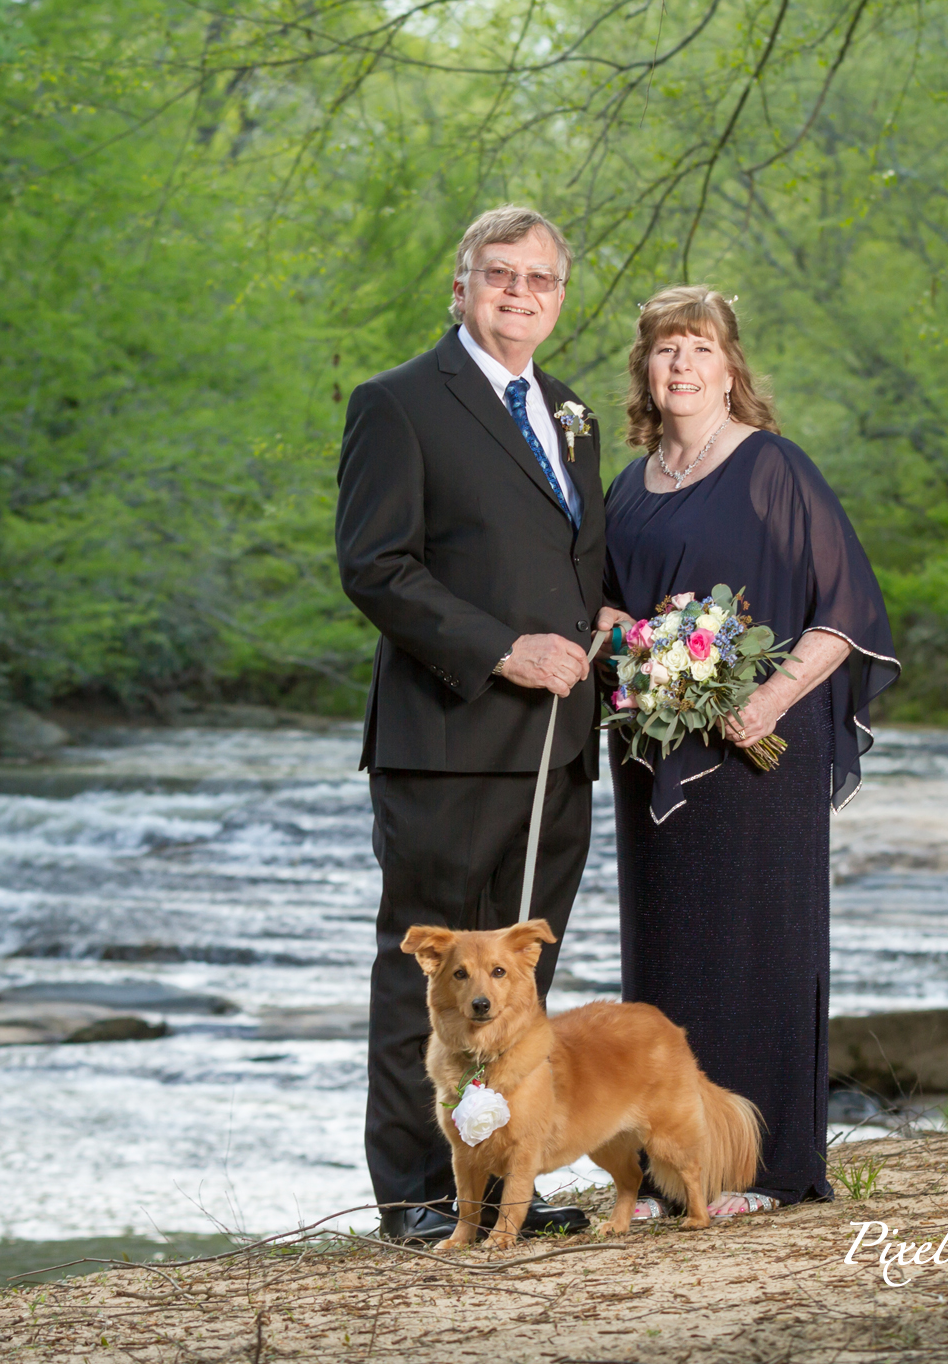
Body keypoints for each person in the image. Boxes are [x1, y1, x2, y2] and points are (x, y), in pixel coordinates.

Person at [595, 285, 898, 1215]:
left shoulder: (773, 467)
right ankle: (669, 1167)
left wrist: (766, 698)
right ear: (647, 371)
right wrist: (643, 655)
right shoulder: (627, 487)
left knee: (756, 950)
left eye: (698, 347)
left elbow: (845, 611)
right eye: (664, 350)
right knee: (670, 957)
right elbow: (605, 611)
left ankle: (764, 1168)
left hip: (760, 741)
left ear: (731, 369)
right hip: (656, 747)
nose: (680, 364)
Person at [335, 205, 605, 1244]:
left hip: (554, 749)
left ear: (558, 298)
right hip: (445, 743)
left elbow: (572, 566)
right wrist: (503, 648)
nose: (519, 293)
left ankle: (501, 1200)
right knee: (434, 985)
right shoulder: (398, 404)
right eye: (500, 275)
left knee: (517, 993)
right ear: (460, 284)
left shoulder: (570, 411)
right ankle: (415, 1197)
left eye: (539, 279)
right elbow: (376, 567)